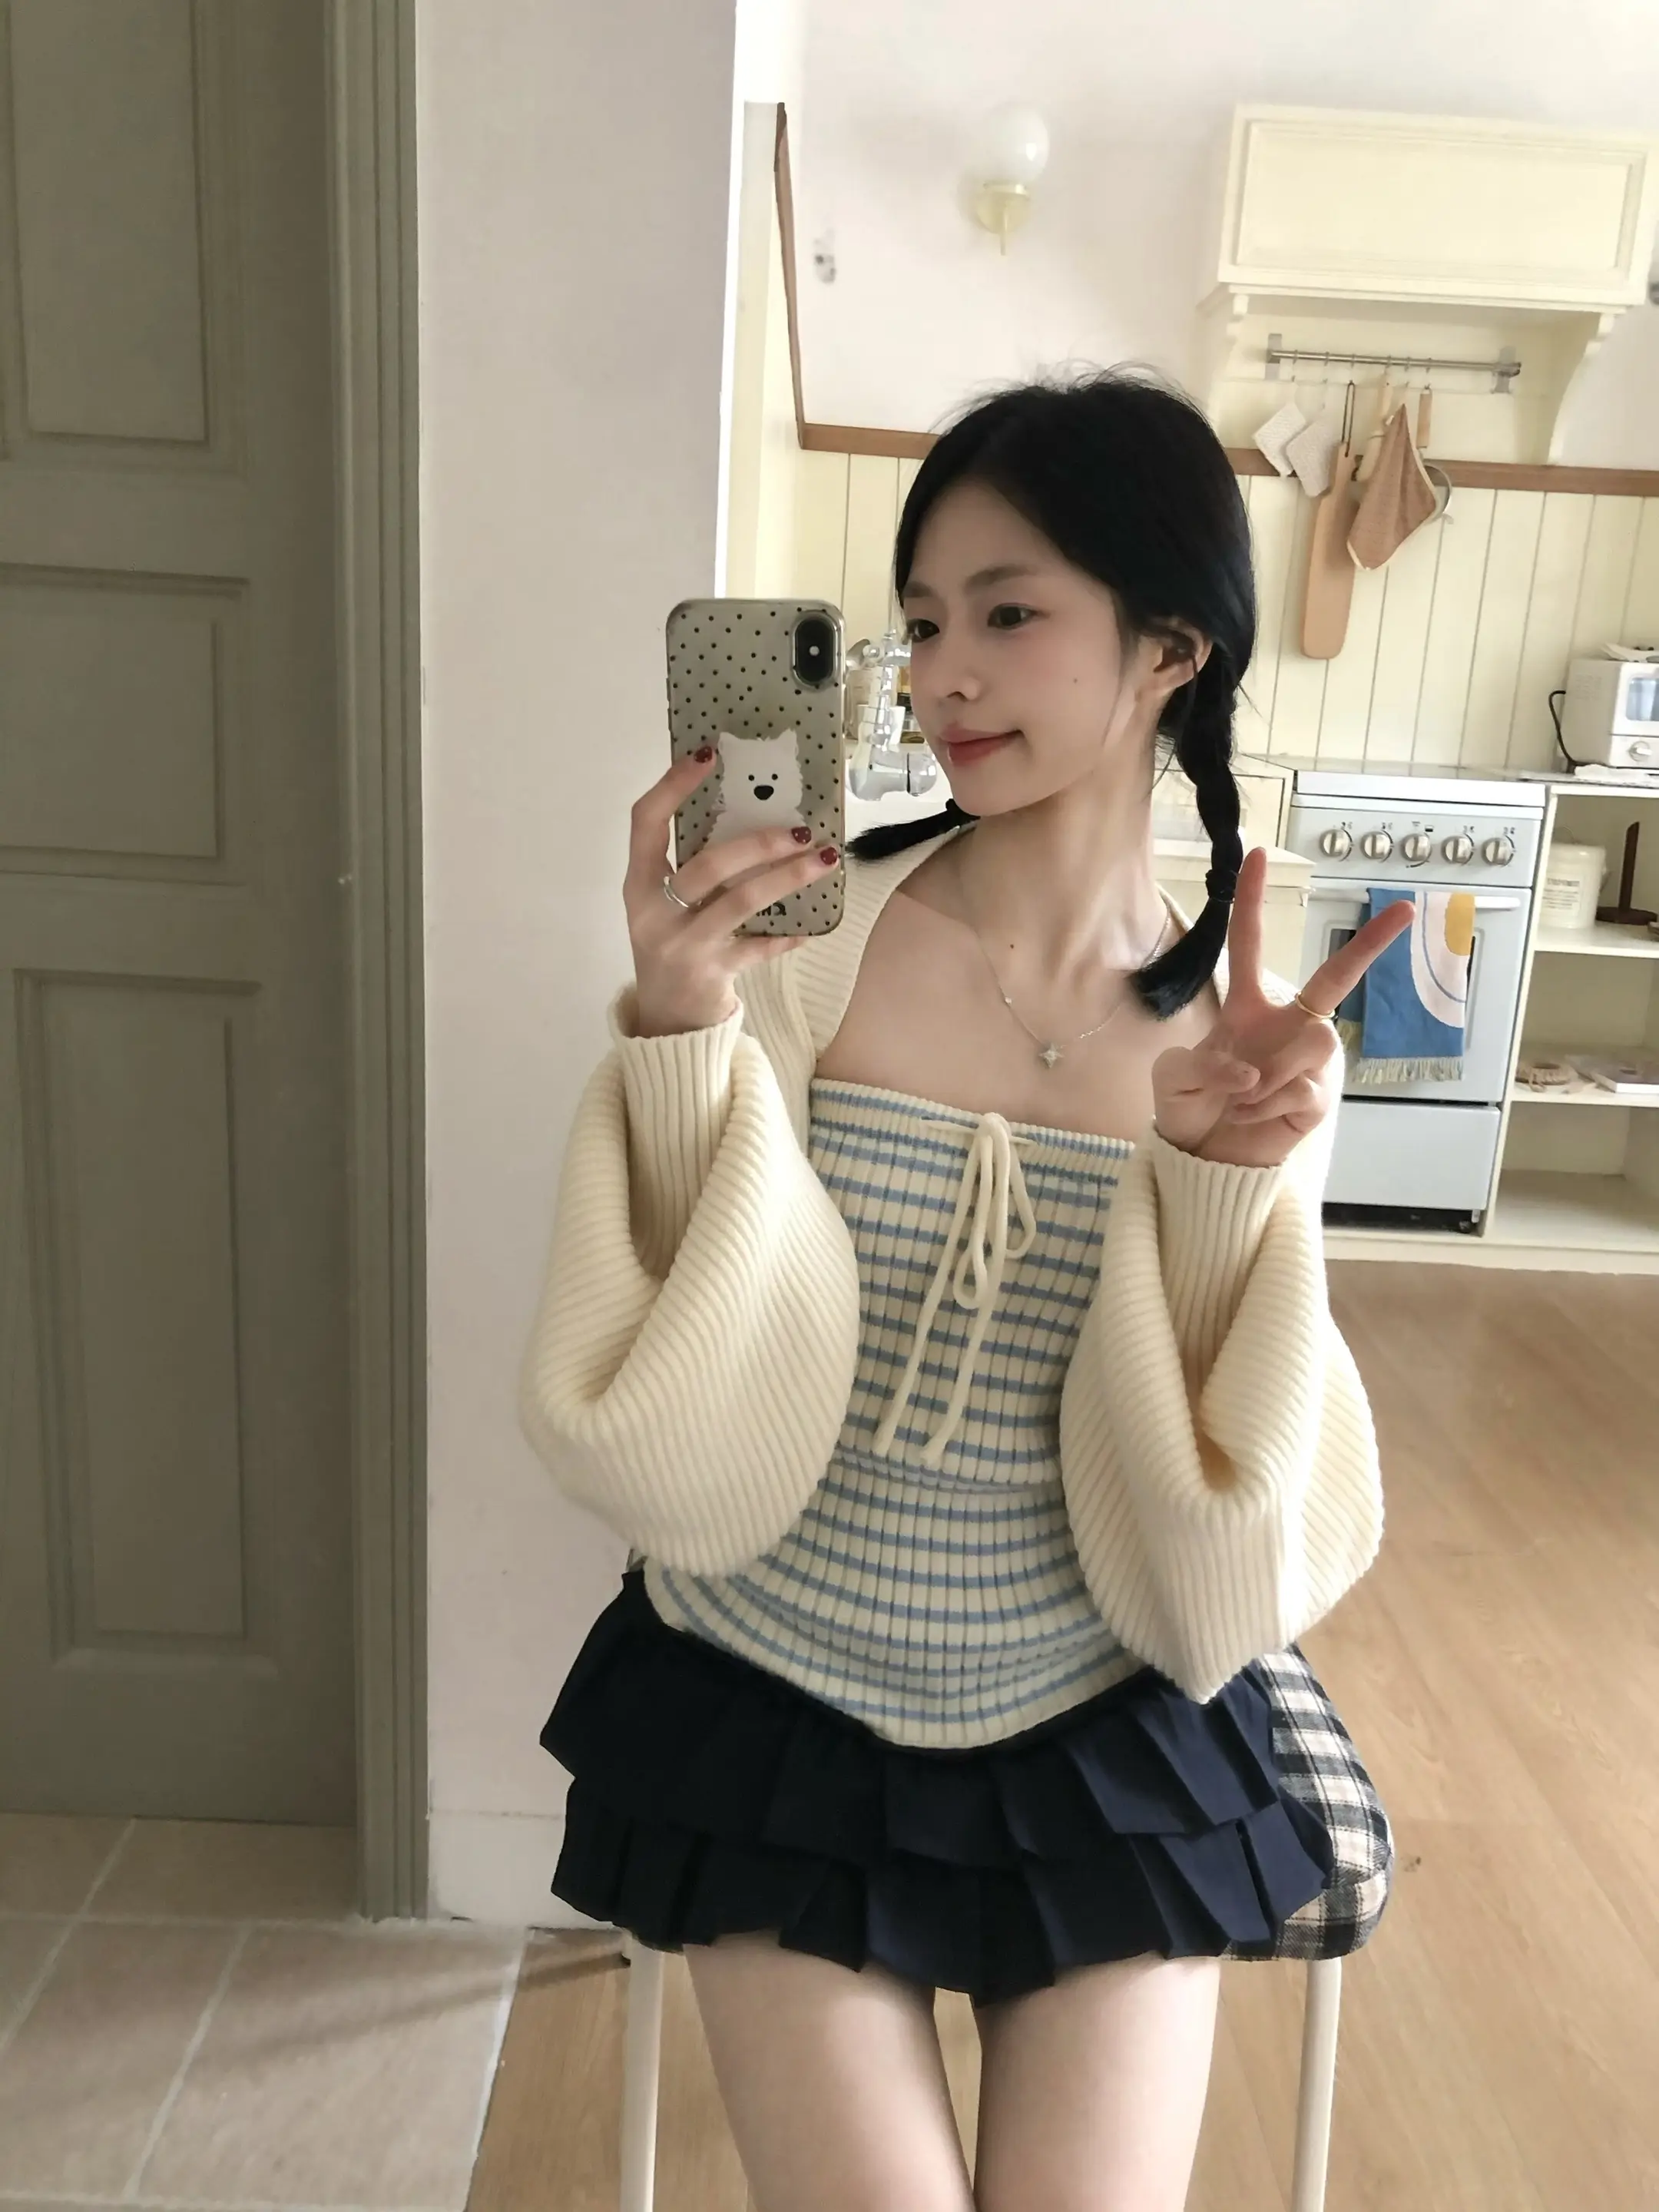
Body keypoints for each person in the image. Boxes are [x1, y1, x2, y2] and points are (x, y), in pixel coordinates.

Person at [517, 366, 1410, 2212]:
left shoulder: (1246, 1037)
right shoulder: (801, 947)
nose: (945, 677)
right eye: (924, 623)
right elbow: (669, 1399)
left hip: (1099, 1714)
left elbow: (1228, 1540)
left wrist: (1221, 1177)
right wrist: (678, 1033)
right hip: (771, 1700)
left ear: (1173, 647)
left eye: (1011, 616)